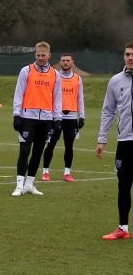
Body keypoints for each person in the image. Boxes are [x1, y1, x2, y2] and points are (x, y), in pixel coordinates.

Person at [11, 42, 61, 196]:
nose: (40, 58)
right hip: (27, 117)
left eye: (43, 55)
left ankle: (29, 184)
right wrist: (16, 114)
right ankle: (19, 185)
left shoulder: (55, 74)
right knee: (25, 150)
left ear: (49, 56)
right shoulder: (26, 71)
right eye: (38, 55)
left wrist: (57, 119)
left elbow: (57, 98)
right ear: (35, 54)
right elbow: (19, 93)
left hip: (46, 119)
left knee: (38, 152)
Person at [95, 42, 133, 240]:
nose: (130, 57)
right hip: (125, 142)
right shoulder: (115, 81)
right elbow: (108, 111)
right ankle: (123, 228)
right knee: (124, 185)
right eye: (127, 54)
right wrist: (102, 139)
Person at [41, 53, 84, 182]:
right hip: (56, 117)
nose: (65, 62)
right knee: (51, 144)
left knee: (69, 146)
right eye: (63, 60)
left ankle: (67, 173)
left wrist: (81, 116)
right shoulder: (55, 77)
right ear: (60, 62)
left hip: (71, 117)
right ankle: (45, 171)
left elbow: (80, 98)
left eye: (68, 60)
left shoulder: (77, 79)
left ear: (72, 62)